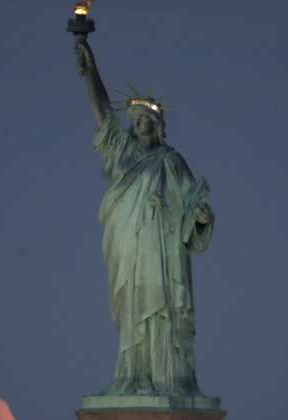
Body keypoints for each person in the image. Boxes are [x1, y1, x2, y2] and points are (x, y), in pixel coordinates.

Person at [75, 38, 215, 397]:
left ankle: (167, 379)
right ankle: (133, 376)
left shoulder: (171, 161)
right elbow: (102, 110)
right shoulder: (120, 150)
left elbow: (193, 204)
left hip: (161, 245)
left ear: (157, 125)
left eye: (144, 120)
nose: (137, 124)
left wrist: (200, 215)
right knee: (134, 305)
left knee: (162, 306)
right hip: (126, 241)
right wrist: (90, 66)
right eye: (134, 120)